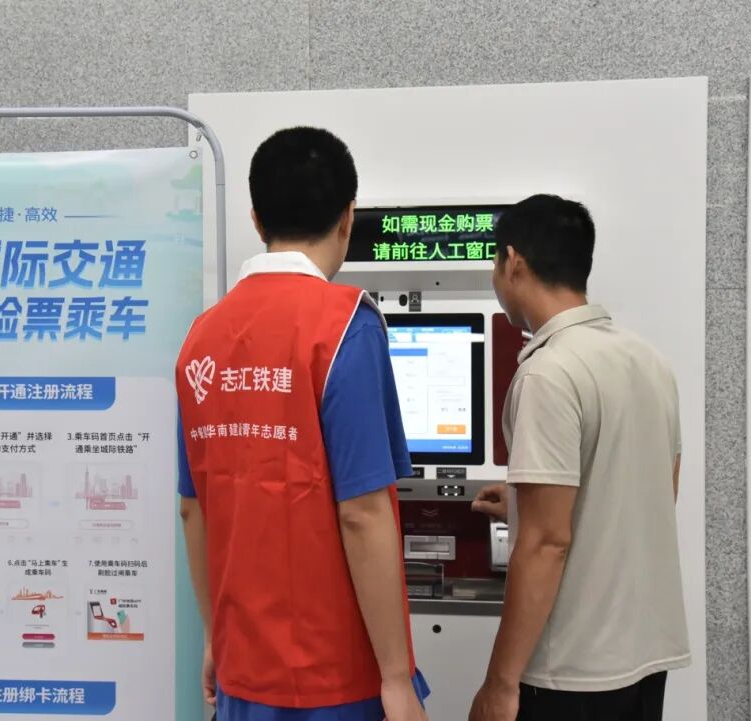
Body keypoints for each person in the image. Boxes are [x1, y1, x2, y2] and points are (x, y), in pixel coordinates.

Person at [175, 126, 429, 721]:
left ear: (257, 220)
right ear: (348, 217)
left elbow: (193, 508)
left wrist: (215, 638)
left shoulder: (200, 337)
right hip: (335, 676)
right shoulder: (346, 327)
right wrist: (396, 678)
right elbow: (362, 511)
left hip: (242, 671)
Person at [468, 195, 689, 721]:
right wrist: (523, 505)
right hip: (643, 659)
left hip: (569, 672)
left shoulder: (548, 372)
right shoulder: (648, 360)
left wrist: (499, 683)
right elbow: (654, 494)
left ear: (513, 262)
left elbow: (547, 543)